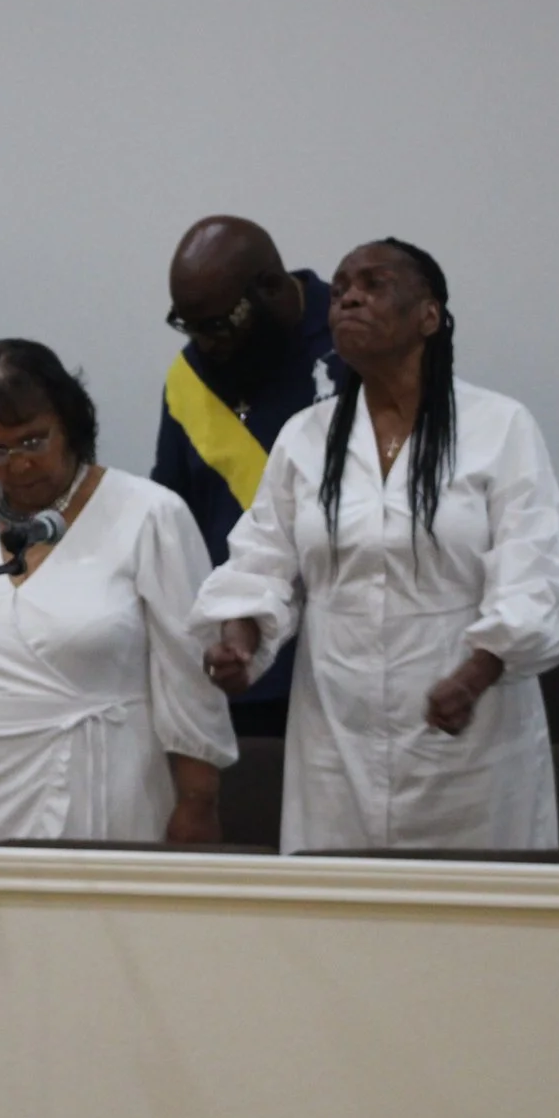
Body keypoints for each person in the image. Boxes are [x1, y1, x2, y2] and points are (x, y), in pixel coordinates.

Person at [194, 240, 559, 853]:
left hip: (469, 737)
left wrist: (473, 677)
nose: (348, 297)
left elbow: (536, 571)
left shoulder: (498, 427)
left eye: (374, 284)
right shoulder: (306, 436)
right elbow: (261, 560)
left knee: (470, 904)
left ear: (429, 315)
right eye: (342, 287)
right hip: (336, 738)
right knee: (340, 904)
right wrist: (239, 642)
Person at [0, 340, 236, 846]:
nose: (18, 465)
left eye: (33, 441)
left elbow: (189, 677)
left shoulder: (151, 515)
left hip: (101, 789)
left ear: (70, 424)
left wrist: (198, 802)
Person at [151, 216, 341, 738]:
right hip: (240, 666)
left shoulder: (351, 345)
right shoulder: (190, 376)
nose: (204, 344)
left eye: (218, 325)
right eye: (187, 325)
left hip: (343, 658)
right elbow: (174, 522)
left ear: (272, 289)